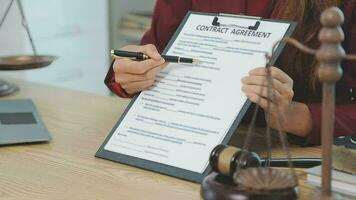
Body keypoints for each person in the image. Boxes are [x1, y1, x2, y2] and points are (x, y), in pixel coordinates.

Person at [105, 0, 356, 145]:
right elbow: (150, 55)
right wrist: (128, 75)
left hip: (292, 157)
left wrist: (300, 116)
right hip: (186, 143)